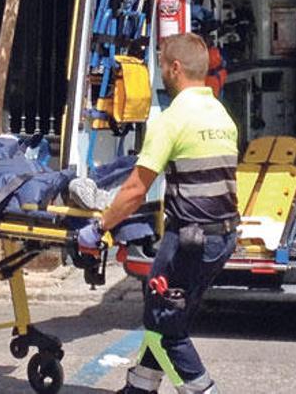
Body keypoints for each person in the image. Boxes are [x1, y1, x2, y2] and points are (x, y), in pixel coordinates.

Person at [77, 33, 239, 394]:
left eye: (163, 64)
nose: (160, 71)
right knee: (167, 309)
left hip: (189, 239)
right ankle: (140, 386)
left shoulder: (172, 120)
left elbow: (135, 190)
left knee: (166, 322)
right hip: (222, 237)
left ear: (175, 68)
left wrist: (99, 225)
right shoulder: (222, 115)